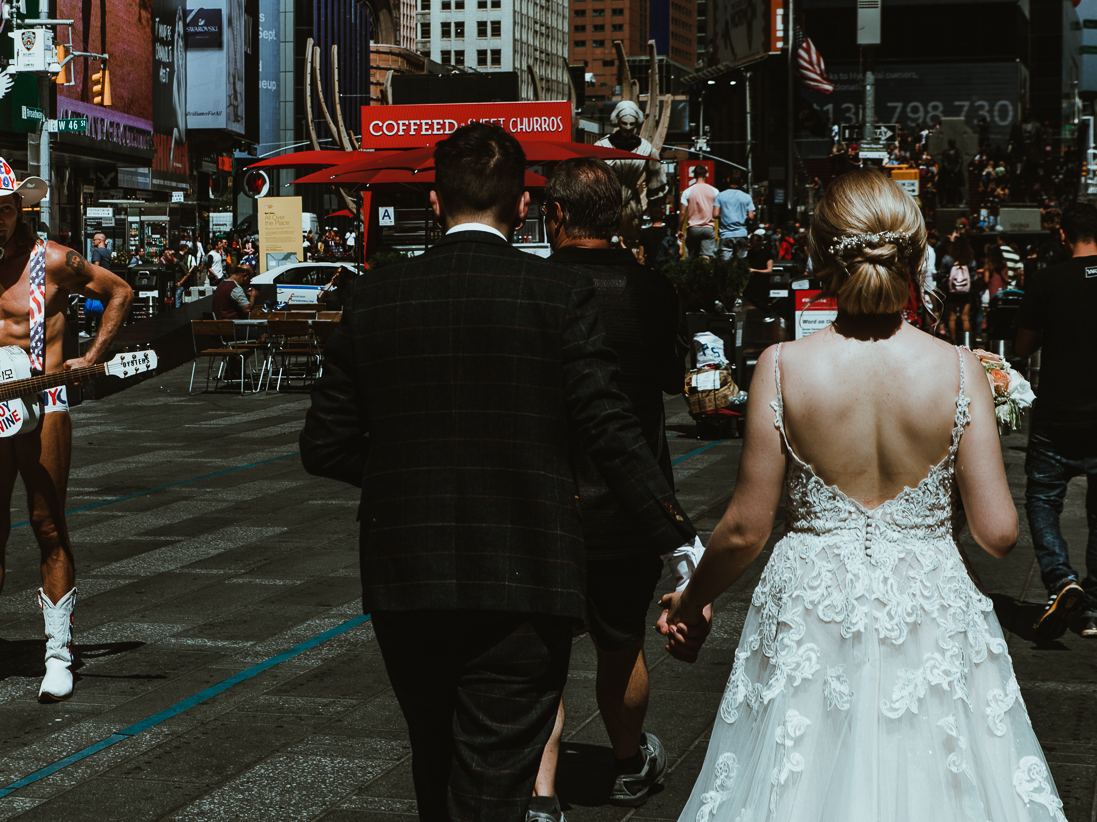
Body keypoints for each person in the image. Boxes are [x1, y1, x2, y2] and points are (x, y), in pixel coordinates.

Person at [300, 124, 699, 822]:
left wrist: (406, 473)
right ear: (523, 207)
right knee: (494, 774)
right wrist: (677, 538)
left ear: (433, 199)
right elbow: (610, 428)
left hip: (407, 569)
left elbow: (324, 443)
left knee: (434, 758)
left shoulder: (377, 296)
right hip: (525, 563)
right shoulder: (554, 296)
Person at [660, 168, 1059, 820]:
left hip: (812, 602)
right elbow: (998, 533)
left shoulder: (783, 367)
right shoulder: (961, 368)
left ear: (820, 258)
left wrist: (690, 602)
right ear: (912, 256)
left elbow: (744, 529)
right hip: (926, 599)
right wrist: (927, 510)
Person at [0, 159, 133, 703]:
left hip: (46, 402)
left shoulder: (54, 260)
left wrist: (90, 357)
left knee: (48, 525)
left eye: (5, 209)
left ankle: (59, 656)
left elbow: (121, 292)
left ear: (20, 208)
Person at [531, 157, 694, 814]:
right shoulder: (651, 291)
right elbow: (669, 381)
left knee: (541, 650)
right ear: (620, 218)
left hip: (545, 497)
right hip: (629, 498)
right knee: (621, 641)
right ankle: (628, 764)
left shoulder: (532, 286)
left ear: (556, 215)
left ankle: (541, 793)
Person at [1015, 200, 1097, 640]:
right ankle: (1094, 609)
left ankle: (1061, 578)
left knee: (1043, 500)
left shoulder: (1046, 281)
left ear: (1063, 236)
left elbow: (1024, 347)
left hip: (1058, 412)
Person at [714, 175, 756, 260]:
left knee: (725, 264)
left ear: (728, 180)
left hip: (726, 234)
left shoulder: (720, 195)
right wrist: (742, 216)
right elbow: (751, 216)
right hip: (741, 233)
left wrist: (725, 215)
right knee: (740, 263)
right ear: (741, 181)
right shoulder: (747, 197)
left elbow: (715, 214)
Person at [681, 165, 719, 258]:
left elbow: (682, 213)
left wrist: (679, 229)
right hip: (708, 228)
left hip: (693, 229)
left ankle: (695, 272)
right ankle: (705, 272)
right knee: (706, 256)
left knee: (693, 257)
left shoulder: (687, 191)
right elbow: (717, 212)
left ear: (694, 175)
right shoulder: (715, 191)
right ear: (706, 174)